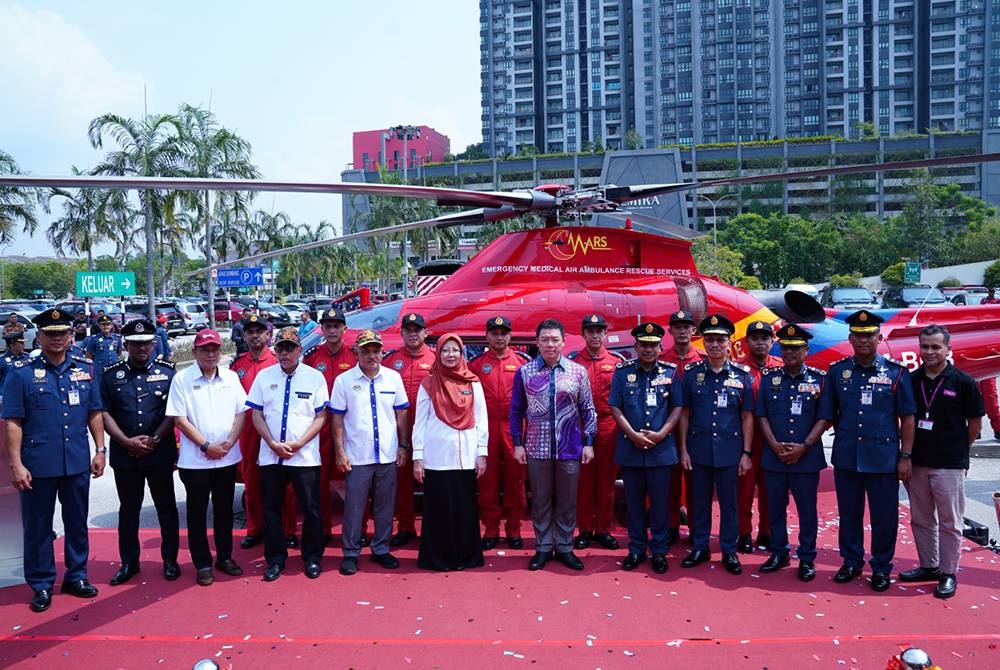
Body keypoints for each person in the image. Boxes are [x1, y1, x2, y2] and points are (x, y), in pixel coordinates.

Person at [3, 307, 105, 613]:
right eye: (50, 334)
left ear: (71, 335)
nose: (57, 339)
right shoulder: (21, 373)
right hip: (38, 464)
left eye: (62, 333)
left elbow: (94, 412)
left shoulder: (85, 369)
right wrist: (16, 464)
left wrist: (100, 449)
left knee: (77, 523)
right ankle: (42, 583)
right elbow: (12, 422)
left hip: (75, 460)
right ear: (40, 336)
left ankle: (76, 576)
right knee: (38, 528)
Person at [818, 309, 916, 592]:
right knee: (849, 514)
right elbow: (831, 413)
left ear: (879, 337)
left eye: (869, 335)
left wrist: (905, 456)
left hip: (883, 459)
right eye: (858, 336)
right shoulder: (838, 372)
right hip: (848, 456)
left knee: (884, 517)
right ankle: (851, 561)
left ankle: (882, 567)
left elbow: (908, 417)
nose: (863, 340)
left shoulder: (896, 373)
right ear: (850, 338)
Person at [899, 324, 983, 599]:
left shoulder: (963, 382)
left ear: (948, 348)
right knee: (921, 519)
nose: (930, 352)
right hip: (918, 461)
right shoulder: (911, 381)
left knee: (950, 521)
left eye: (936, 346)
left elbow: (974, 424)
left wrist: (958, 448)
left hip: (949, 463)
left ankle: (948, 573)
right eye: (925, 346)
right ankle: (929, 566)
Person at [511, 318, 597, 572]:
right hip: (536, 447)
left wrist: (589, 442)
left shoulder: (577, 372)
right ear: (537, 342)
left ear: (563, 342)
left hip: (570, 447)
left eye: (555, 339)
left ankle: (566, 547)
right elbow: (516, 410)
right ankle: (543, 547)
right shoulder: (525, 372)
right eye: (545, 339)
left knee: (568, 500)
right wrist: (518, 443)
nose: (550, 344)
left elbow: (588, 409)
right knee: (541, 500)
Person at [100, 318, 181, 585]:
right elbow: (104, 413)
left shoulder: (169, 372)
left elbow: (173, 412)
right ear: (126, 345)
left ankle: (170, 559)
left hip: (159, 452)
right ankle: (129, 563)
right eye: (135, 344)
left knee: (166, 507)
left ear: (154, 343)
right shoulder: (111, 375)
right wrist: (126, 441)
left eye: (146, 343)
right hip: (126, 455)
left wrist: (155, 439)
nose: (141, 348)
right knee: (129, 510)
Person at [165, 328, 248, 586]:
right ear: (195, 352)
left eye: (214, 349)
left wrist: (231, 441)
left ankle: (224, 556)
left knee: (224, 511)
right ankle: (202, 563)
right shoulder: (182, 379)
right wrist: (205, 446)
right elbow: (179, 419)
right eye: (205, 349)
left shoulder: (231, 378)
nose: (210, 354)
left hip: (226, 456)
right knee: (197, 513)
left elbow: (242, 412)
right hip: (196, 460)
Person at [247, 327, 329, 582]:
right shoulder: (263, 377)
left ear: (300, 350)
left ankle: (312, 558)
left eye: (290, 348)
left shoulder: (315, 377)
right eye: (281, 348)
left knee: (311, 509)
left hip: (304, 456)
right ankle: (275, 559)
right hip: (271, 456)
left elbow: (321, 416)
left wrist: (299, 443)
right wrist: (272, 442)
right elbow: (256, 414)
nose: (285, 353)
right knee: (271, 509)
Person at [677, 313, 754, 576]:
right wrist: (684, 449)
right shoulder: (692, 374)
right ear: (703, 343)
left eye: (720, 340)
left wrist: (746, 453)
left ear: (728, 342)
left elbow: (747, 417)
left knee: (729, 503)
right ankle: (700, 546)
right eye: (709, 340)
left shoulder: (743, 376)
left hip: (730, 451)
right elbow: (684, 413)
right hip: (698, 449)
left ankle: (729, 550)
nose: (714, 345)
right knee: (699, 502)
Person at [330, 329, 410, 576]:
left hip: (386, 454)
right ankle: (351, 553)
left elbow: (402, 414)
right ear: (357, 352)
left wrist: (403, 445)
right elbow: (337, 420)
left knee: (385, 507)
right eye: (366, 350)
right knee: (354, 508)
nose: (371, 355)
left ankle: (381, 549)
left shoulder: (393, 378)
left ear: (382, 352)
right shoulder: (344, 381)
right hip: (358, 456)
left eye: (376, 350)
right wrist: (340, 451)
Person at [754, 324, 829, 582]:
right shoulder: (769, 378)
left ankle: (807, 557)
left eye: (796, 348)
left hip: (806, 458)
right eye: (786, 348)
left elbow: (824, 417)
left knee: (807, 512)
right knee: (775, 509)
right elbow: (761, 414)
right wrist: (773, 444)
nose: (790, 353)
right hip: (774, 456)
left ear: (806, 350)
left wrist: (804, 446)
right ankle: (779, 552)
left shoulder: (819, 380)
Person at [608, 322, 683, 574]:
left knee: (660, 504)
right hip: (631, 449)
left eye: (653, 345)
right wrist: (631, 433)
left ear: (661, 347)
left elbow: (677, 407)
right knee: (633, 503)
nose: (648, 349)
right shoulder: (622, 372)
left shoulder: (670, 372)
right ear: (636, 347)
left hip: (661, 450)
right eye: (644, 345)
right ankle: (637, 548)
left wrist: (662, 433)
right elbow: (615, 407)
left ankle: (659, 550)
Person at [412, 333, 488, 571]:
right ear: (439, 353)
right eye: (446, 350)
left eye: (455, 350)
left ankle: (466, 557)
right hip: (436, 457)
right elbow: (420, 422)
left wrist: (481, 452)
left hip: (465, 456)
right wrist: (418, 456)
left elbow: (481, 420)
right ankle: (438, 559)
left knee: (465, 509)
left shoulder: (473, 382)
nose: (450, 355)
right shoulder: (428, 383)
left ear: (462, 353)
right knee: (438, 510)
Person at [230, 314, 298, 550]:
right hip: (249, 431)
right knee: (252, 483)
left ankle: (288, 531)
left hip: (275, 428)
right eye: (250, 331)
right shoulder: (238, 365)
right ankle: (255, 528)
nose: (255, 335)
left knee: (285, 486)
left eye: (259, 331)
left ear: (268, 334)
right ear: (245, 335)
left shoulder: (278, 360)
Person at [469, 315, 530, 550]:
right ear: (487, 336)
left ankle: (513, 528)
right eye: (494, 333)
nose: (499, 337)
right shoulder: (475, 364)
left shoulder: (523, 364)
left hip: (514, 430)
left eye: (503, 333)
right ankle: (491, 529)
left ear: (510, 336)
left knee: (516, 481)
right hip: (485, 430)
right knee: (487, 483)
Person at [570, 314, 624, 551]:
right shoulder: (572, 363)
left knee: (607, 480)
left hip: (608, 426)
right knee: (583, 482)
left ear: (605, 334)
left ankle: (603, 529)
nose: (594, 335)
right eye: (590, 331)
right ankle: (584, 530)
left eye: (598, 331)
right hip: (579, 427)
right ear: (583, 334)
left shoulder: (616, 362)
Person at [382, 312, 436, 548]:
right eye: (408, 330)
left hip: (430, 432)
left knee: (432, 480)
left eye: (417, 329)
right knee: (402, 482)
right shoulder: (390, 361)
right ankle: (405, 526)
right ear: (401, 333)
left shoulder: (437, 359)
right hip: (400, 431)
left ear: (426, 332)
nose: (413, 333)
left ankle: (433, 528)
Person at [303, 307, 357, 542]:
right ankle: (323, 529)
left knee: (356, 480)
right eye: (328, 326)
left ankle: (359, 529)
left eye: (337, 326)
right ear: (322, 329)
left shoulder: (356, 355)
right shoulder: (313, 357)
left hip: (351, 424)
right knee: (319, 479)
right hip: (322, 425)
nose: (332, 330)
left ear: (344, 329)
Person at [735, 320, 783, 553]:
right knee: (744, 491)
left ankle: (767, 532)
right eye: (755, 338)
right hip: (747, 440)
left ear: (772, 341)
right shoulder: (737, 369)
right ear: (746, 342)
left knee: (771, 490)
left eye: (765, 338)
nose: (760, 342)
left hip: (773, 440)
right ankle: (743, 533)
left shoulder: (781, 368)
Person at [660, 310, 702, 546]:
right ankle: (671, 527)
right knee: (669, 482)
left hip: (697, 430)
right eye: (678, 327)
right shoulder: (662, 360)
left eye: (687, 327)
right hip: (667, 429)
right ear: (671, 331)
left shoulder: (703, 361)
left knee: (697, 483)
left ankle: (697, 528)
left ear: (693, 331)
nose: (683, 331)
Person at [85, 314, 123, 379]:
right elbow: (89, 355)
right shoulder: (94, 339)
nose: (106, 327)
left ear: (111, 326)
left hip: (114, 368)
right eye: (103, 325)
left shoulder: (117, 338)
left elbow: (119, 352)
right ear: (99, 326)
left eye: (108, 324)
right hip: (100, 370)